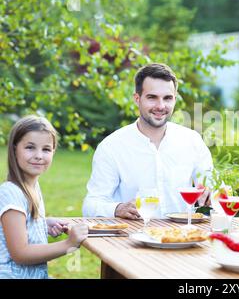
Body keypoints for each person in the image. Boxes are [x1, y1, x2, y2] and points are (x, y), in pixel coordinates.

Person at [82, 63, 213, 219]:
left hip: (182, 235)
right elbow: (90, 204)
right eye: (152, 97)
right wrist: (117, 209)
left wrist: (212, 193)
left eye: (167, 98)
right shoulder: (112, 146)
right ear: (137, 99)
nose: (161, 106)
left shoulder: (192, 141)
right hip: (130, 239)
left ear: (175, 100)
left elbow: (211, 185)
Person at [0, 116, 88, 278]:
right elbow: (20, 253)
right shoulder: (11, 193)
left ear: (54, 152)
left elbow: (20, 225)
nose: (39, 155)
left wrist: (43, 224)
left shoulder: (32, 187)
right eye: (30, 147)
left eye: (46, 149)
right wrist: (68, 244)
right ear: (14, 149)